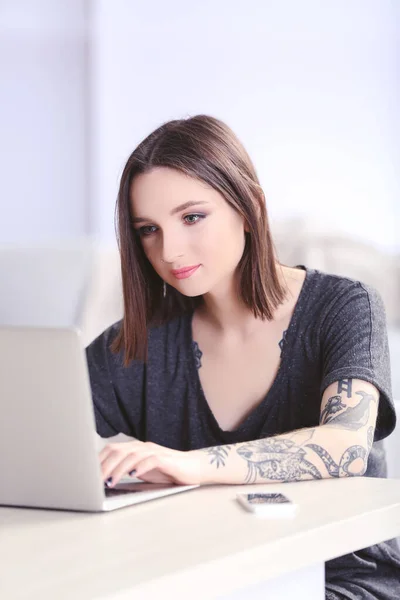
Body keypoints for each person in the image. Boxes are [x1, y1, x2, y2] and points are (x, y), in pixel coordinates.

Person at [86, 114, 400, 599]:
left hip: (336, 580)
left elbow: (345, 447)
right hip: (204, 576)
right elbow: (32, 426)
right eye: (148, 229)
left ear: (248, 207)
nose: (169, 250)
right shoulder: (138, 345)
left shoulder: (344, 306)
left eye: (192, 217)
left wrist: (189, 465)